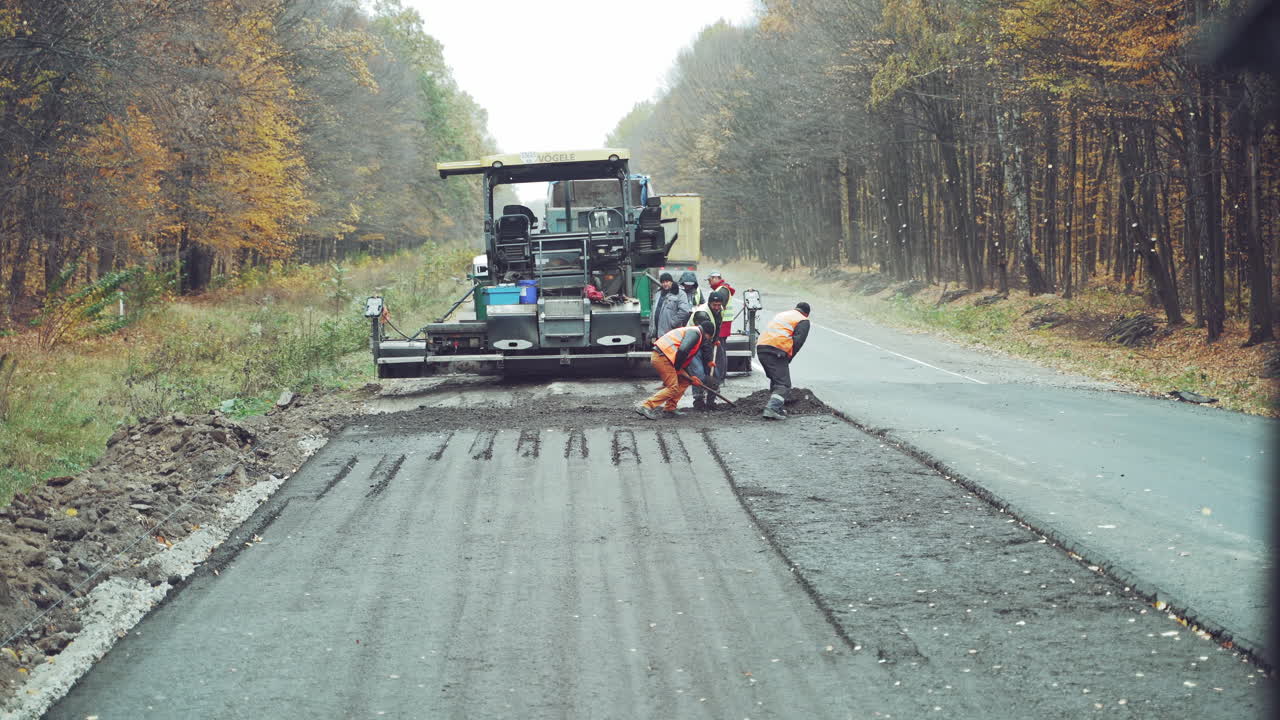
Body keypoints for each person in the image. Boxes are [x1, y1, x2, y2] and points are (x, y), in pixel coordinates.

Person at [635, 320, 717, 419]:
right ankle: (646, 406)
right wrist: (677, 369)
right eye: (709, 339)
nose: (707, 341)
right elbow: (682, 351)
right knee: (672, 387)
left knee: (685, 380)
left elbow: (684, 360)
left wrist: (691, 377)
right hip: (663, 357)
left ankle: (670, 408)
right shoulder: (696, 333)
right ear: (708, 334)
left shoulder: (695, 333)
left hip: (665, 356)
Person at [755, 302, 811, 421]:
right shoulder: (803, 320)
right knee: (783, 384)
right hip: (776, 350)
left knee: (776, 380)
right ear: (806, 314)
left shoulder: (784, 314)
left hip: (762, 348)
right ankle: (772, 408)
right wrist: (788, 358)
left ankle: (778, 407)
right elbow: (798, 342)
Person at [688, 288, 729, 410]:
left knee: (714, 373)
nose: (717, 307)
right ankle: (698, 401)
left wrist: (715, 339)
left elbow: (717, 325)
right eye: (714, 305)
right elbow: (704, 337)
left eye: (719, 305)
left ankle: (711, 401)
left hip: (707, 343)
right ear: (709, 303)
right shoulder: (702, 314)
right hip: (694, 344)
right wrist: (709, 359)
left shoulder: (719, 310)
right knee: (699, 373)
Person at [650, 272, 691, 338]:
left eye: (667, 281)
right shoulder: (658, 294)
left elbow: (684, 311)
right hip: (658, 333)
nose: (665, 284)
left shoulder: (680, 294)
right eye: (663, 282)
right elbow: (653, 311)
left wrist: (673, 323)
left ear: (671, 282)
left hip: (671, 333)